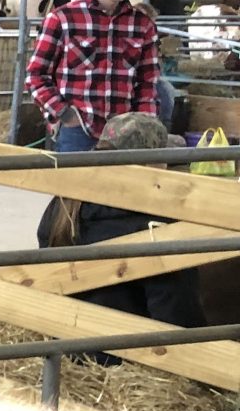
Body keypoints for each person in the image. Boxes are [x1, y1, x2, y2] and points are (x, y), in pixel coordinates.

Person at [36, 111, 204, 359]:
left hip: (61, 345)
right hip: (119, 358)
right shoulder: (155, 225)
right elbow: (175, 311)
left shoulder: (65, 203)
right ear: (152, 165)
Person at [25, 0, 159, 155]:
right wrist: (65, 115)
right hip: (78, 128)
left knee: (121, 188)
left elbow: (148, 81)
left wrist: (144, 122)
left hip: (126, 132)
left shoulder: (143, 25)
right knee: (73, 188)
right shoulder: (62, 19)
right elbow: (35, 75)